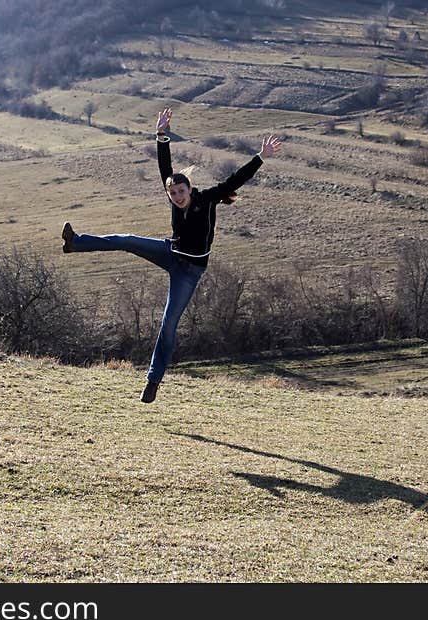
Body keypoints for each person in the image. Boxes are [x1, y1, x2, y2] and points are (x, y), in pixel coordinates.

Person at [61, 107, 281, 403]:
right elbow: (165, 168)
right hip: (169, 251)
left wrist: (261, 156)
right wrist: (161, 135)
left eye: (181, 191)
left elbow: (234, 181)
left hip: (189, 272)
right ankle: (76, 243)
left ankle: (153, 381)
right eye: (173, 193)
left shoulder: (207, 199)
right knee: (126, 239)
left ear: (190, 189)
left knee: (168, 323)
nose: (177, 197)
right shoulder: (172, 194)